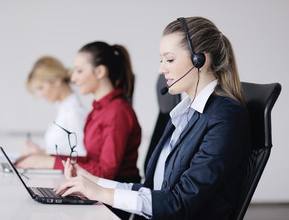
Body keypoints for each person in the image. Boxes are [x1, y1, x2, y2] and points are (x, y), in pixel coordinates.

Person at [54, 17, 252, 220]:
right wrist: (92, 181)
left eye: (170, 59)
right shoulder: (185, 115)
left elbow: (179, 203)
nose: (161, 69)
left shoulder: (225, 117)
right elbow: (152, 190)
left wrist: (101, 193)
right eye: (161, 60)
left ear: (199, 60)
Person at [17, 42, 142, 184]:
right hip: (99, 190)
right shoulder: (98, 111)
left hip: (114, 198)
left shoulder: (116, 112)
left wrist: (50, 162)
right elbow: (90, 160)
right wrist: (46, 158)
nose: (73, 78)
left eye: (80, 71)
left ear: (100, 72)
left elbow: (106, 174)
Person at [16, 56, 88, 168]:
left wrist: (42, 157)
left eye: (41, 88)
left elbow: (81, 159)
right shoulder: (64, 110)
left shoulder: (74, 113)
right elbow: (65, 151)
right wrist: (40, 152)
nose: (40, 95)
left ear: (56, 81)